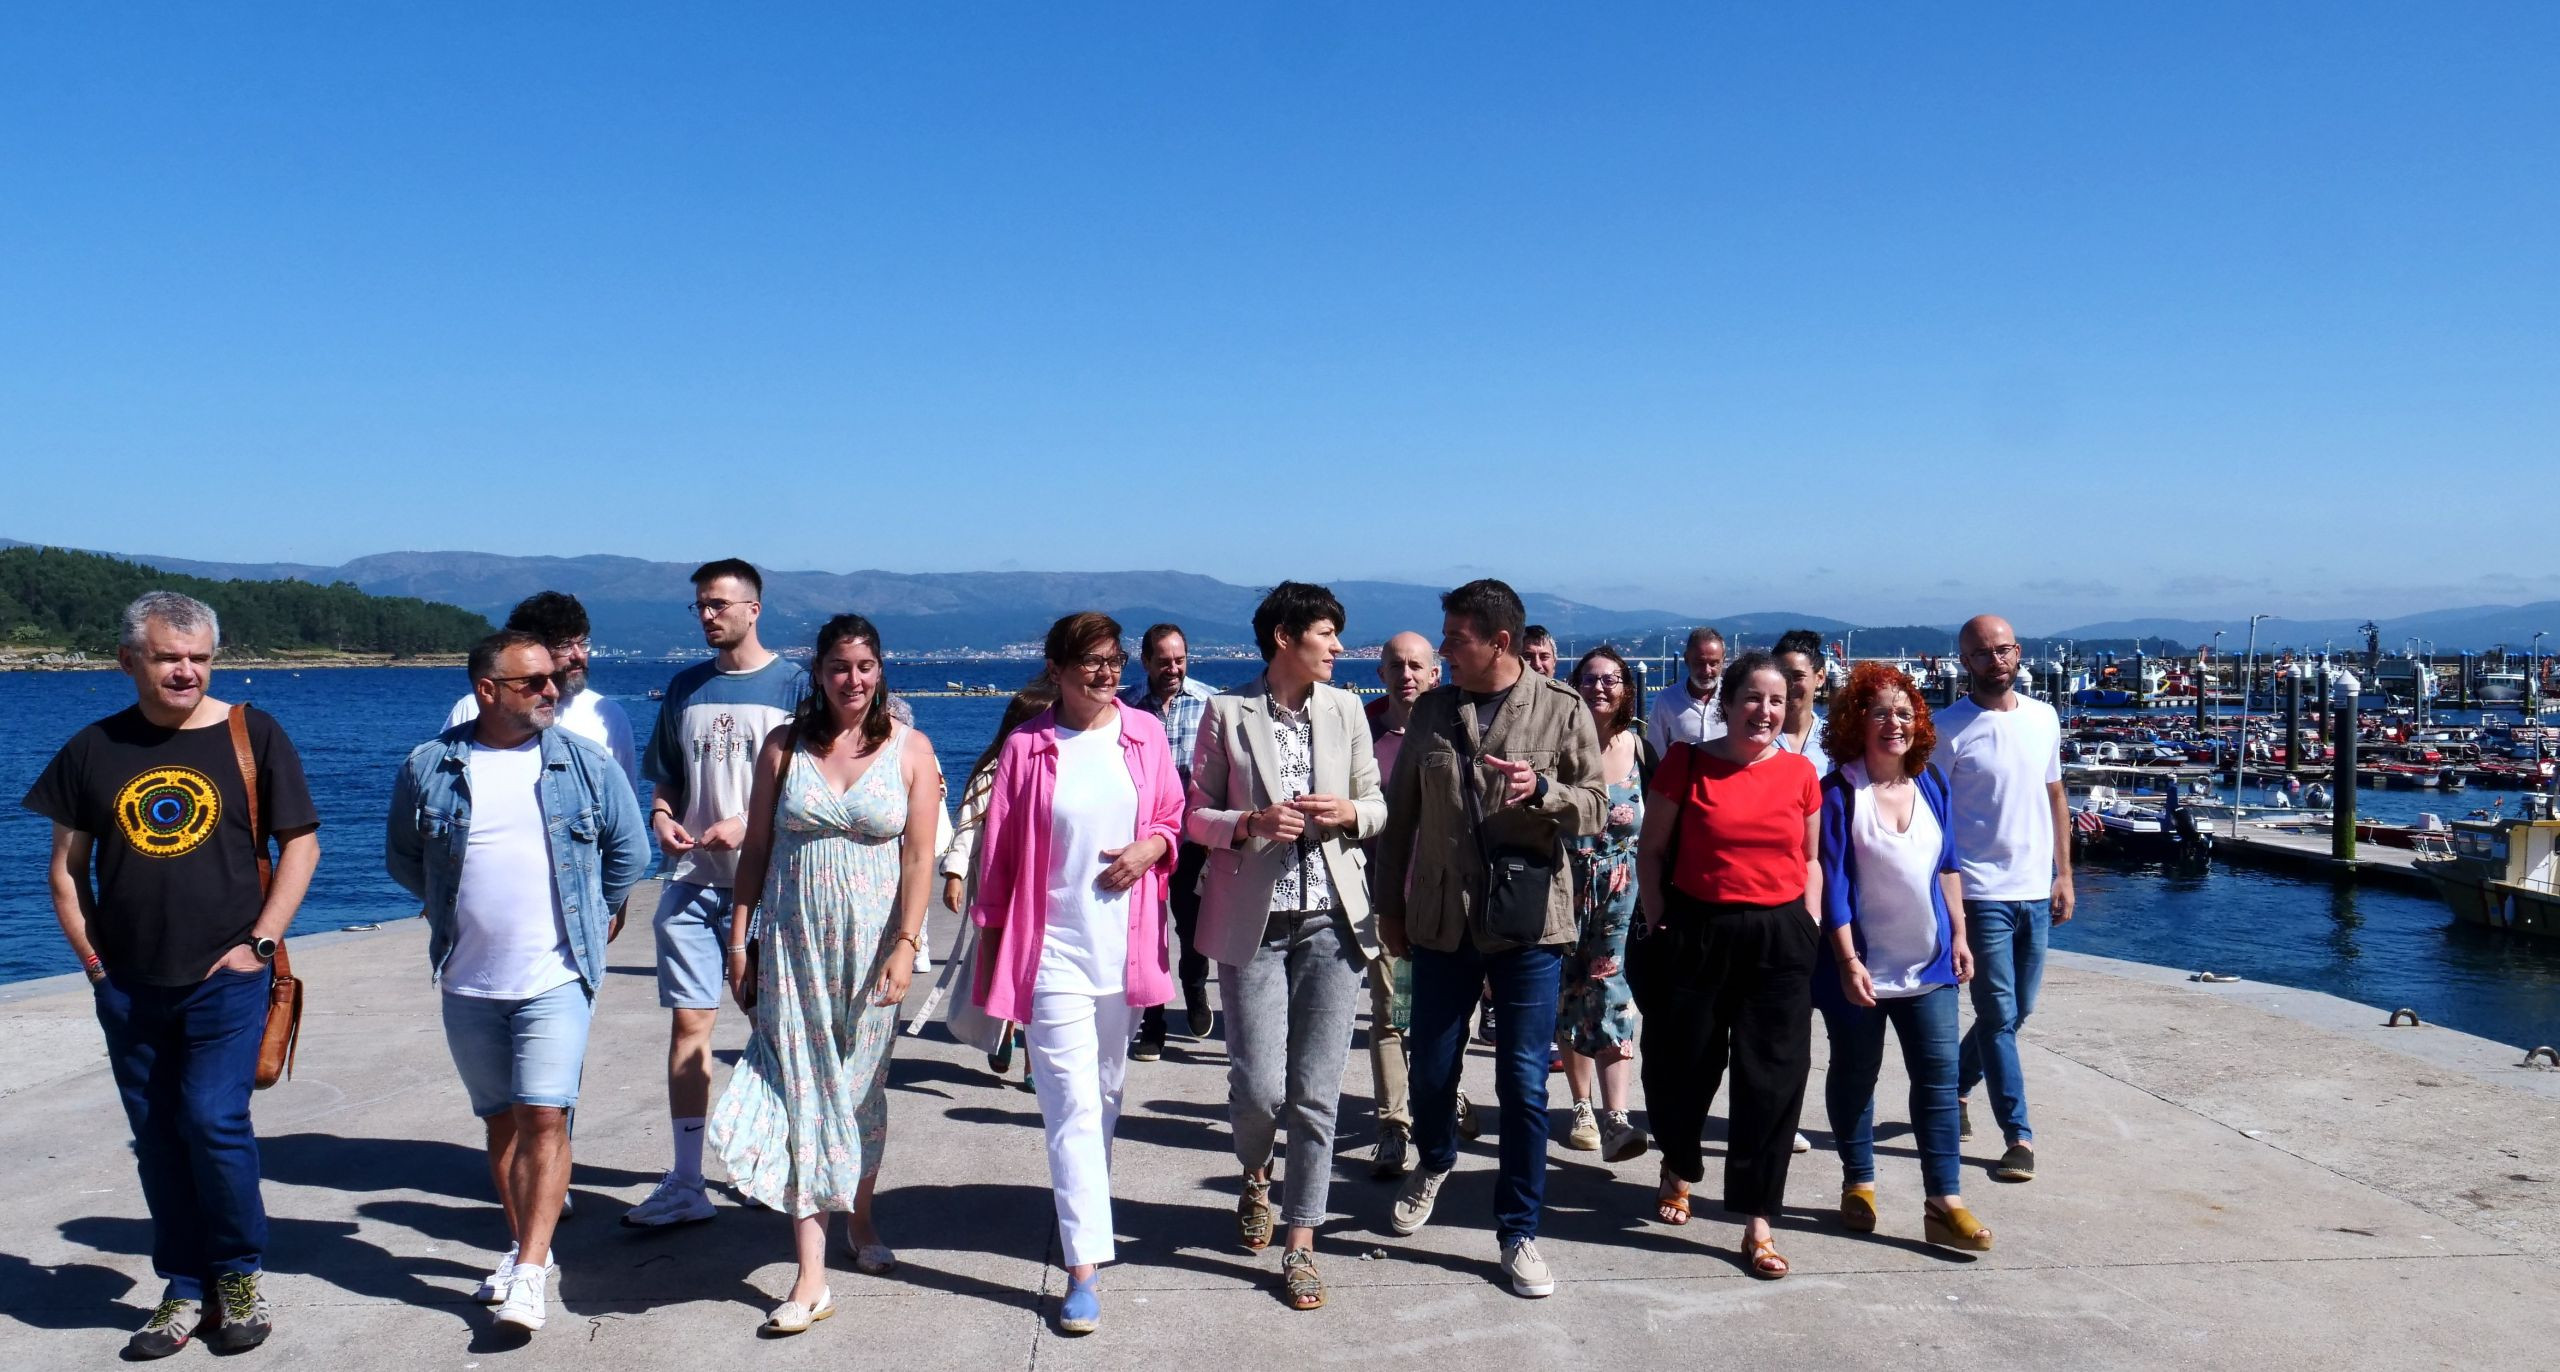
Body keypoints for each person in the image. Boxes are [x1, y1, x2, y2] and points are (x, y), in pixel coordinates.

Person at [25, 592, 321, 1358]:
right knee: (157, 1138)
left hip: (227, 975)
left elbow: (302, 846)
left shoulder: (250, 732)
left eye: (199, 657)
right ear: (130, 662)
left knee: (211, 1122)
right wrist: (95, 968)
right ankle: (184, 1287)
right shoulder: (93, 748)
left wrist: (260, 944)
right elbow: (66, 872)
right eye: (168, 657)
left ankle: (237, 1274)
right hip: (128, 984)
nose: (186, 670)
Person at [386, 631, 650, 1334]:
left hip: (556, 975)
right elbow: (405, 857)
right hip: (467, 978)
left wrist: (596, 913)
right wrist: (453, 904)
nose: (551, 690)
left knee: (543, 1114)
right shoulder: (430, 766)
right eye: (532, 682)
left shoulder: (584, 763)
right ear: (487, 690)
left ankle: (531, 1271)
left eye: (553, 678)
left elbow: (632, 849)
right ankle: (521, 1247)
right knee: (499, 1119)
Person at [707, 615, 942, 1334]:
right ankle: (810, 1278)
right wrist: (740, 943)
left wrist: (906, 945)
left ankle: (860, 1218)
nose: (854, 679)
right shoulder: (783, 747)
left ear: (881, 669)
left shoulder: (911, 749)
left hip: (874, 954)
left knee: (860, 1091)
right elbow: (755, 855)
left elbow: (917, 860)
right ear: (819, 672)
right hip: (793, 946)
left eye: (866, 665)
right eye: (840, 666)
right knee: (806, 1095)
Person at [1373, 579, 1606, 1299]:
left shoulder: (1562, 711)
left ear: (1499, 642)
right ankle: (1436, 1158)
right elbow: (1401, 815)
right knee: (1433, 1072)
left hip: (1529, 922)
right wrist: (1390, 908)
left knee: (1523, 1082)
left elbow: (1595, 809)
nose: (1443, 649)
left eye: (1456, 637)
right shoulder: (1434, 713)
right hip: (1442, 918)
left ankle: (1519, 1232)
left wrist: (1543, 791)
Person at [967, 612, 1184, 1335]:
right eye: (1089, 661)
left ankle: (1085, 1211)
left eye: (1113, 659)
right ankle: (1084, 1267)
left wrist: (1151, 849)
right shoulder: (1029, 746)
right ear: (1056, 669)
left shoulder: (1144, 734)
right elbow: (996, 848)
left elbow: (1172, 819)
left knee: (1108, 1092)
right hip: (1051, 947)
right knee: (1069, 1104)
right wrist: (991, 936)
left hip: (1124, 948)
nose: (1106, 672)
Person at [1186, 582, 1385, 1311]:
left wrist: (1350, 812)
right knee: (1259, 1088)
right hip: (1253, 922)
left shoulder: (1347, 710)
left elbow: (1379, 804)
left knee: (1316, 1093)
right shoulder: (1226, 712)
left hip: (1333, 920)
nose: (1339, 649)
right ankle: (1254, 1172)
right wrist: (1248, 822)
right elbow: (1192, 815)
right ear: (1284, 639)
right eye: (1327, 635)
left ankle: (1302, 1242)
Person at [1629, 651, 1823, 1280]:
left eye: (1776, 701)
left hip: (1780, 937)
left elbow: (1813, 858)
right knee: (1679, 1067)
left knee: (1773, 1080)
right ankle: (1679, 1164)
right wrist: (1660, 922)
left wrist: (1810, 921)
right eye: (1752, 699)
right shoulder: (1687, 763)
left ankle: (1758, 1221)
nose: (1764, 711)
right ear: (1727, 702)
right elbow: (1652, 853)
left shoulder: (1799, 775)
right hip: (1696, 930)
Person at [626, 559, 808, 1228]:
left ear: (754, 609)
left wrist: (751, 823)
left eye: (720, 605)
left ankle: (788, 1167)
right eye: (700, 605)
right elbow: (667, 777)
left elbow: (816, 782)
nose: (708, 616)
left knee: (778, 1031)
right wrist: (662, 819)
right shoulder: (685, 689)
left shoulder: (795, 686)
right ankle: (685, 1179)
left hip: (774, 890)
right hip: (695, 885)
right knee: (689, 1026)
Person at [1813, 662, 1993, 1252]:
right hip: (1861, 967)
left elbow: (1947, 866)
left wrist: (1961, 935)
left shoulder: (1931, 784)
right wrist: (1845, 962)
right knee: (1856, 1074)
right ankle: (1858, 1182)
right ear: (1855, 721)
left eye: (1903, 712)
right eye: (1879, 712)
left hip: (1931, 966)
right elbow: (1833, 883)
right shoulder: (1839, 791)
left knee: (1939, 1083)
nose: (1894, 722)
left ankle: (1945, 1201)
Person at [1942, 614, 2074, 1184]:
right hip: (1981, 891)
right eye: (1983, 653)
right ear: (1965, 662)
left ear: (2019, 653)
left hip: (2035, 889)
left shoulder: (2044, 718)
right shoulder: (1947, 728)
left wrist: (2063, 874)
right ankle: (2018, 1135)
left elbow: (2055, 795)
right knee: (1997, 1015)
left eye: (2005, 650)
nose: (1996, 660)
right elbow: (1932, 813)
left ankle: (1955, 1087)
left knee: (2019, 1010)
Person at [915, 680, 1057, 1075]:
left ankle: (1033, 1062)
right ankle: (1004, 1033)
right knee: (1002, 968)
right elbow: (969, 827)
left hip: (1040, 890)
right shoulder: (992, 772)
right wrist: (956, 873)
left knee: (1038, 973)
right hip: (997, 887)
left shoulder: (1061, 767)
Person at [1559, 646, 1648, 1163]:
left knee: (1612, 992)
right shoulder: (1561, 747)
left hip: (1620, 896)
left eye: (1611, 679)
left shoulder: (1639, 749)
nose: (1600, 688)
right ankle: (1581, 1106)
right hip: (1563, 889)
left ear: (1625, 689)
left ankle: (1618, 1117)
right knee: (1570, 992)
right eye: (1589, 679)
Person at [1120, 622, 1219, 1058]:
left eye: (1180, 660)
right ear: (1146, 662)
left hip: (1193, 838)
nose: (1173, 669)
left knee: (1193, 928)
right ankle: (1153, 1021)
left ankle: (1195, 991)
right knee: (1145, 932)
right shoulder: (1126, 706)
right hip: (1143, 839)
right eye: (1164, 662)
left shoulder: (1210, 704)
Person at [1360, 631, 1437, 1178]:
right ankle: (1393, 1125)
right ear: (1381, 673)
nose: (1406, 674)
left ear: (1435, 674)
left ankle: (1443, 1101)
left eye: (1416, 665)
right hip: (1382, 895)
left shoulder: (1456, 727)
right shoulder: (1359, 731)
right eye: (1395, 665)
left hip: (1444, 898)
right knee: (1390, 1015)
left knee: (1439, 1016)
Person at [443, 590, 638, 787]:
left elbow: (623, 804)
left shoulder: (608, 716)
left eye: (583, 643)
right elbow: (442, 783)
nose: (578, 655)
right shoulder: (474, 709)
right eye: (565, 645)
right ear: (531, 649)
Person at [1646, 627, 1728, 757]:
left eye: (1713, 663)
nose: (1706, 670)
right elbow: (1655, 754)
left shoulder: (1734, 697)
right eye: (1700, 663)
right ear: (1686, 659)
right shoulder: (1666, 700)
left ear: (1723, 661)